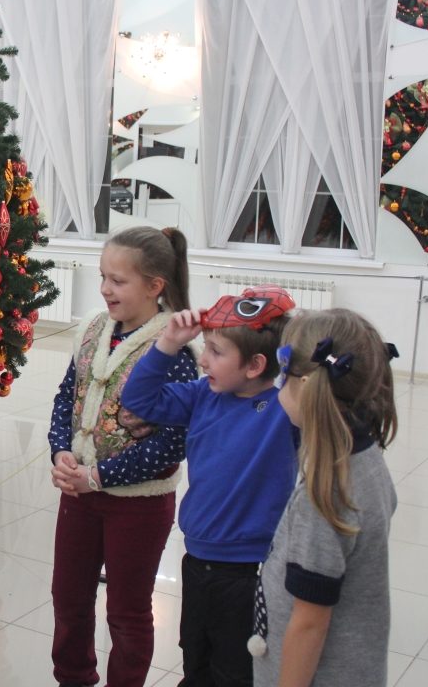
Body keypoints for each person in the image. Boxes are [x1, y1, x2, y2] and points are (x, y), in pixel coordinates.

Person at [120, 287, 300, 687]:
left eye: (216, 352)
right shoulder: (204, 395)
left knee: (236, 669)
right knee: (195, 655)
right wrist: (167, 344)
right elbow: (137, 399)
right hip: (197, 558)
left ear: (255, 365)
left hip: (249, 571)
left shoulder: (286, 407)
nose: (203, 359)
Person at [48, 226, 199, 687]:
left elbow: (172, 443)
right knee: (68, 597)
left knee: (127, 611)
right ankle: (73, 677)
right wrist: (59, 451)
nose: (105, 289)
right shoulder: (94, 327)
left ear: (156, 286)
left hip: (139, 504)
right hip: (79, 493)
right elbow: (66, 396)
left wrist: (99, 476)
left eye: (118, 280)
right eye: (102, 276)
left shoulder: (175, 349)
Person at [250, 310, 399, 687]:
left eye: (282, 377)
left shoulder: (324, 495)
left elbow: (310, 623)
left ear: (305, 385)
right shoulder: (366, 461)